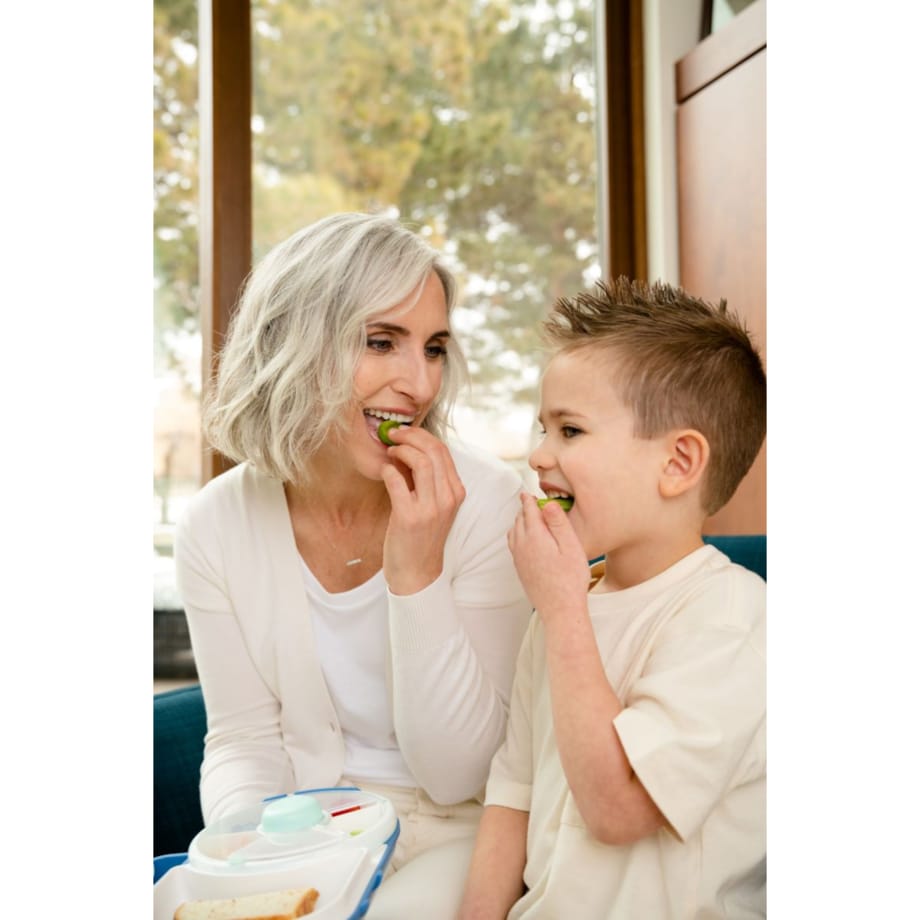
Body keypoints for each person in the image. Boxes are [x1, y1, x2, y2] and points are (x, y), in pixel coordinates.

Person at [174, 212, 533, 916]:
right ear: (296, 343)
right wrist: (249, 855)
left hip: (463, 833)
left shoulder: (487, 501)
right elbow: (243, 739)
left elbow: (459, 775)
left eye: (433, 348)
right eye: (380, 342)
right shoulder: (214, 524)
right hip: (307, 831)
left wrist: (418, 574)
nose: (419, 384)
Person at [458, 277, 767, 919]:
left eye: (570, 430)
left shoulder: (732, 619)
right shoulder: (564, 603)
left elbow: (618, 810)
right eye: (543, 429)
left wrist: (563, 610)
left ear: (678, 464)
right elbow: (514, 793)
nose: (538, 455)